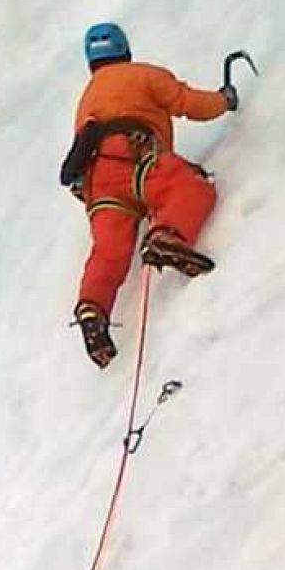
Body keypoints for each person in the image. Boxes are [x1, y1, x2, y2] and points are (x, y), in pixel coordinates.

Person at [59, 22, 238, 367]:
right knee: (189, 188)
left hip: (99, 183)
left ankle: (93, 306)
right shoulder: (143, 75)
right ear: (124, 50)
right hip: (137, 158)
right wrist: (224, 100)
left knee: (109, 250)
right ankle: (166, 235)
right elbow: (189, 103)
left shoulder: (87, 98)